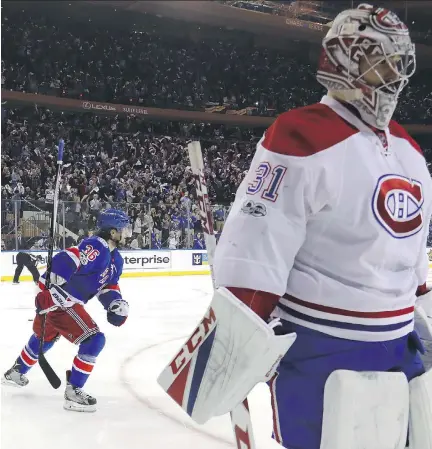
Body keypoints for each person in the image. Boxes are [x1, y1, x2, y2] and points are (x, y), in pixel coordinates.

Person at [159, 4, 432, 449]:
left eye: (398, 62)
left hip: (401, 345)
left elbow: (411, 253)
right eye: (379, 60)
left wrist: (424, 316)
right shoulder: (300, 134)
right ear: (343, 60)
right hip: (323, 345)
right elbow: (257, 249)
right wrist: (237, 332)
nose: (393, 75)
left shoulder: (408, 149)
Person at [2, 209, 132, 413]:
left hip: (64, 301)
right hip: (60, 299)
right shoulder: (98, 245)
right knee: (94, 340)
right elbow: (72, 256)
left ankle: (16, 371)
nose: (128, 233)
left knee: (45, 337)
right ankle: (74, 391)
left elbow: (108, 286)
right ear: (112, 232)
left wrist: (114, 303)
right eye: (124, 229)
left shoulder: (116, 259)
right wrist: (51, 279)